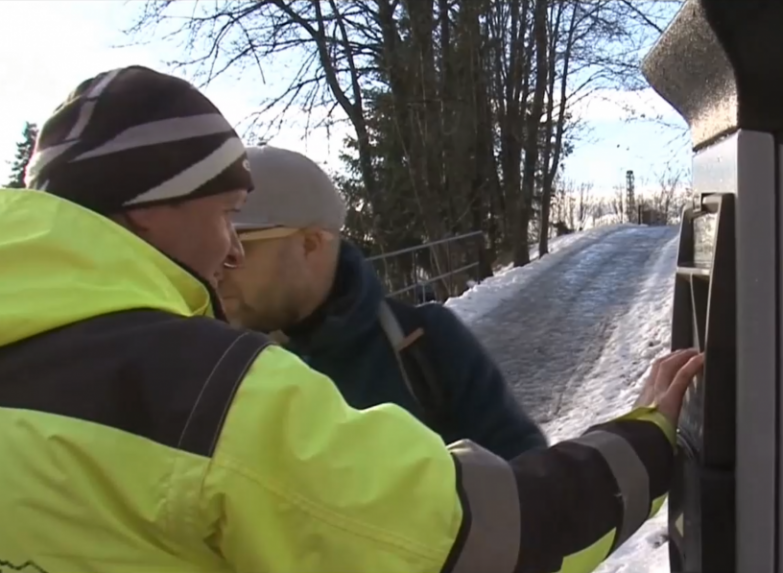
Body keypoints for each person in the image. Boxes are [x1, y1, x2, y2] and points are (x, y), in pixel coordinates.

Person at [0, 65, 704, 573]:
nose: (231, 246)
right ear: (151, 206)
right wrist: (641, 440)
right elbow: (478, 536)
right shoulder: (206, 390)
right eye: (223, 213)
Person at [218, 145, 547, 460]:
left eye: (239, 245)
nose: (216, 265)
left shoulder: (422, 344)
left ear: (310, 244)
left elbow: (523, 481)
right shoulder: (211, 363)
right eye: (215, 242)